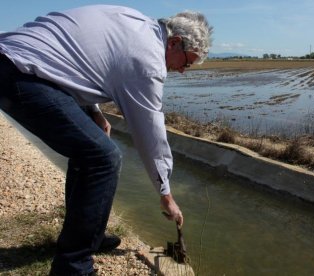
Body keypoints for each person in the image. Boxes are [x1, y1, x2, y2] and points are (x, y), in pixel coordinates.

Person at [0, 5, 212, 275]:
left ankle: (89, 237)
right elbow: (150, 134)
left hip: (20, 63)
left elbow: (79, 64)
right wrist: (166, 194)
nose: (183, 70)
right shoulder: (148, 60)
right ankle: (73, 266)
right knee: (103, 157)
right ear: (174, 42)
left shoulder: (133, 21)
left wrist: (95, 113)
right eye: (187, 62)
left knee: (89, 153)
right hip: (19, 70)